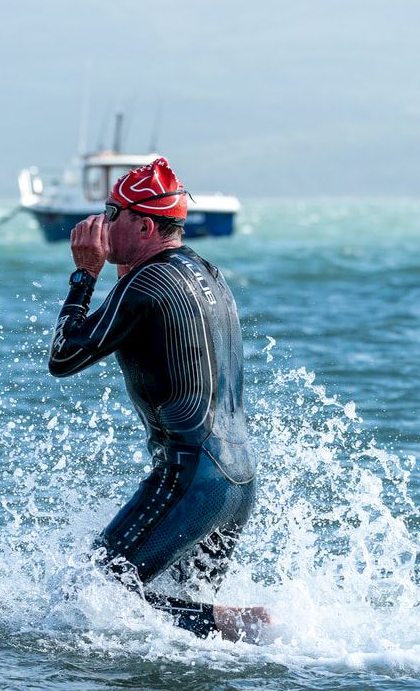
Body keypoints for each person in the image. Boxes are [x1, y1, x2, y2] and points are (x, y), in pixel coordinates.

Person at [48, 157, 270, 642]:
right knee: (179, 633)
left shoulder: (145, 283)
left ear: (144, 225)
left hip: (190, 480)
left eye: (112, 213)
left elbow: (63, 357)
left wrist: (85, 275)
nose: (101, 225)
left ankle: (240, 622)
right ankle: (241, 629)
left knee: (86, 598)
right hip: (236, 482)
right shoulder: (207, 274)